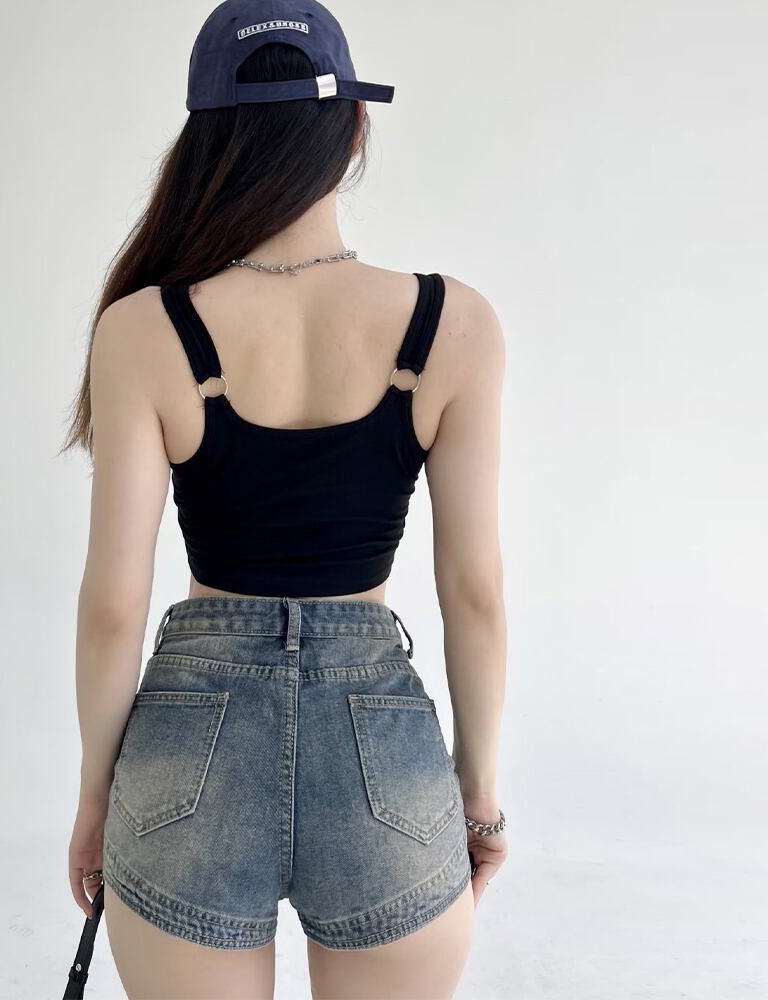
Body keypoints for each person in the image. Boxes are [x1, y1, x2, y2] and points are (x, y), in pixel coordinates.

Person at [60, 1, 508, 996]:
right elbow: (474, 593)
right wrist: (477, 800)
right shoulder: (454, 324)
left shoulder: (145, 329)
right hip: (381, 748)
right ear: (353, 127)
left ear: (205, 140)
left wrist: (96, 796)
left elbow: (113, 606)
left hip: (188, 746)